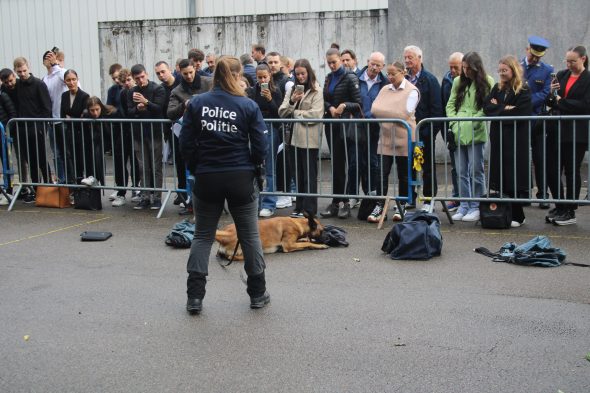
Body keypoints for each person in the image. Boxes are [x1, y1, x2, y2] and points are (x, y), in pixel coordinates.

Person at [180, 55, 269, 314]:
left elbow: (186, 143)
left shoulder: (197, 103)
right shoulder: (247, 105)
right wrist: (252, 166)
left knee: (203, 236)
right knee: (250, 235)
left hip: (207, 176)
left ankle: (194, 297)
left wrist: (198, 166)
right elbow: (261, 147)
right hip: (240, 175)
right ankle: (257, 293)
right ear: (237, 74)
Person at [483, 55, 533, 227]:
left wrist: (499, 108)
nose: (502, 74)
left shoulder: (523, 90)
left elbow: (521, 114)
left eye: (505, 70)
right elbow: (487, 107)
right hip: (499, 138)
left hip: (516, 140)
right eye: (500, 70)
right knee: (501, 176)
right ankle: (506, 213)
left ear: (513, 70)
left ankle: (518, 215)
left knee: (514, 176)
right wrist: (504, 108)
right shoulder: (497, 88)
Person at [368, 61, 420, 222]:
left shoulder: (412, 90)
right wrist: (390, 112)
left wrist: (386, 111)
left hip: (404, 138)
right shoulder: (385, 89)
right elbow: (374, 109)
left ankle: (402, 204)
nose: (389, 77)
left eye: (393, 74)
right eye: (388, 74)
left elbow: (403, 114)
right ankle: (380, 204)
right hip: (385, 137)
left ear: (402, 72)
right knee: (381, 173)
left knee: (404, 174)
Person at [446, 51, 494, 222]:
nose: (465, 71)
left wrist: (474, 120)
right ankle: (464, 204)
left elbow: (487, 106)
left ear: (476, 68)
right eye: (463, 68)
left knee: (476, 170)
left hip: (476, 131)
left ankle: (476, 205)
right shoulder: (458, 81)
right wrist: (453, 121)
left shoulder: (487, 81)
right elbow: (450, 104)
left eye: (468, 68)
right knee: (461, 171)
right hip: (459, 130)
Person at [544, 45, 590, 226]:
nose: (569, 64)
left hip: (575, 133)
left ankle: (570, 210)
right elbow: (550, 102)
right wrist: (551, 93)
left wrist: (560, 102)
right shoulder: (562, 75)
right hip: (557, 130)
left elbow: (585, 105)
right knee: (553, 169)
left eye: (573, 61)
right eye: (567, 61)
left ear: (583, 59)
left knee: (571, 170)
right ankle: (560, 205)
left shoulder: (587, 79)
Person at [278, 58, 324, 216]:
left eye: (303, 73)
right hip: (293, 138)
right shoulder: (292, 90)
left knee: (309, 175)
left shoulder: (316, 90)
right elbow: (282, 111)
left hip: (309, 139)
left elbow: (316, 114)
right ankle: (299, 206)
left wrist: (295, 113)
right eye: (297, 74)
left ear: (308, 72)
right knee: (297, 174)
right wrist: (292, 101)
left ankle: (309, 209)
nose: (300, 77)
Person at [321, 48, 362, 219]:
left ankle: (345, 202)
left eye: (334, 62)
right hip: (332, 124)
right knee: (337, 165)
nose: (332, 65)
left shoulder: (350, 77)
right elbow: (324, 98)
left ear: (340, 60)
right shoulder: (329, 77)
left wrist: (344, 105)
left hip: (346, 125)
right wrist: (330, 107)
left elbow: (358, 103)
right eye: (329, 63)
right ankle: (336, 201)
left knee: (346, 165)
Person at [167, 58, 213, 211]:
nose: (188, 76)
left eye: (191, 72)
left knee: (208, 170)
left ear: (195, 69)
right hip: (190, 136)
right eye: (185, 74)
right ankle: (191, 202)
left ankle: (210, 201)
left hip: (209, 133)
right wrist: (184, 105)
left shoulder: (209, 82)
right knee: (190, 172)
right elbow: (170, 113)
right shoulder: (177, 91)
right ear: (180, 72)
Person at [404, 45, 443, 211]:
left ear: (420, 58)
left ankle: (428, 200)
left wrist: (428, 133)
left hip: (424, 133)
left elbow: (436, 110)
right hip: (407, 132)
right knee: (408, 167)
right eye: (405, 57)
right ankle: (410, 199)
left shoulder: (430, 80)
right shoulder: (404, 79)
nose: (407, 61)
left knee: (427, 168)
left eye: (410, 57)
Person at [126, 64, 166, 210]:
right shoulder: (131, 91)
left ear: (147, 74)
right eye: (137, 78)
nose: (140, 80)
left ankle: (156, 197)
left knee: (156, 166)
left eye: (142, 77)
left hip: (154, 133)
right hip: (138, 134)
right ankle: (145, 196)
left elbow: (159, 108)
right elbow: (128, 112)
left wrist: (146, 102)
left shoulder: (157, 89)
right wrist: (137, 108)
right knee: (143, 167)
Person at [14, 56, 52, 202]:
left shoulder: (39, 84)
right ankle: (37, 191)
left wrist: (42, 127)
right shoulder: (17, 85)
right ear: (15, 71)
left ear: (28, 67)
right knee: (31, 162)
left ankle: (48, 189)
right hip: (23, 129)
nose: (22, 74)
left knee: (42, 159)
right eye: (19, 71)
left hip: (37, 129)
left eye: (24, 70)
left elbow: (46, 107)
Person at [246, 63, 283, 217]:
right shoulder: (252, 91)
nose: (262, 80)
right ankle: (255, 201)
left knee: (270, 168)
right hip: (254, 129)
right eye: (259, 77)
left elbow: (279, 112)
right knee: (254, 168)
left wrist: (269, 100)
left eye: (264, 77)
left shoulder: (275, 90)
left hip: (270, 127)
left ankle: (269, 203)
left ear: (270, 76)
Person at [521, 36, 554, 209]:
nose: (535, 59)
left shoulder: (547, 70)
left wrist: (524, 103)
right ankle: (525, 192)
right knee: (522, 158)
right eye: (533, 55)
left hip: (538, 120)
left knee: (540, 158)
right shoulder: (517, 67)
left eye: (538, 57)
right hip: (520, 119)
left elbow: (545, 93)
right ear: (527, 50)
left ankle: (543, 194)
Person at [353, 51, 389, 203]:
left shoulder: (385, 83)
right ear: (367, 61)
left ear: (383, 67)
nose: (374, 67)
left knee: (373, 161)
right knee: (356, 161)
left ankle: (371, 192)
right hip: (356, 126)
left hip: (375, 127)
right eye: (372, 63)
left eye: (378, 65)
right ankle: (354, 195)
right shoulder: (355, 78)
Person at [441, 52, 464, 212]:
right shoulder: (447, 79)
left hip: (466, 127)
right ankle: (456, 197)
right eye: (451, 67)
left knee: (469, 168)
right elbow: (444, 105)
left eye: (456, 67)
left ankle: (470, 199)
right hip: (451, 128)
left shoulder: (468, 81)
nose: (453, 70)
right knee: (455, 166)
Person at [59, 69, 90, 185]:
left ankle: (81, 184)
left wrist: (71, 118)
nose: (71, 82)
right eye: (68, 80)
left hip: (81, 134)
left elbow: (83, 116)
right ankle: (74, 184)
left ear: (77, 80)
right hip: (68, 133)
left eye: (73, 79)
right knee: (69, 159)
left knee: (81, 160)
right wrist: (73, 118)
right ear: (65, 82)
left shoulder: (84, 96)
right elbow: (63, 114)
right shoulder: (64, 95)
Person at [80, 97, 118, 187]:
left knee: (98, 151)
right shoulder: (86, 115)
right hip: (96, 140)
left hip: (109, 139)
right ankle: (93, 177)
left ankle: (100, 180)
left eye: (97, 109)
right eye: (92, 110)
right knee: (91, 152)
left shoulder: (109, 113)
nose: (95, 113)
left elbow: (112, 132)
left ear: (101, 107)